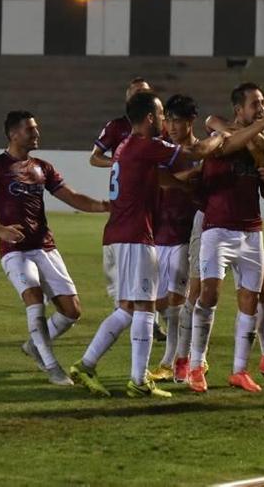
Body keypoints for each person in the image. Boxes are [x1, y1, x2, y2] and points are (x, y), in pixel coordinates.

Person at [69, 91, 264, 399]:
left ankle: (107, 369)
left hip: (125, 234)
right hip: (133, 236)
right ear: (149, 118)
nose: (164, 122)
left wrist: (185, 182)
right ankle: (124, 374)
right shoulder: (147, 145)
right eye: (162, 116)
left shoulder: (125, 146)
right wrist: (220, 137)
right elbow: (197, 150)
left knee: (131, 309)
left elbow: (164, 178)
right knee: (145, 308)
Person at [0, 111, 109, 386]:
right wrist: (0, 230)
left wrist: (104, 206)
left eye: (36, 129)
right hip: (14, 250)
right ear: (13, 134)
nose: (36, 134)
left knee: (72, 311)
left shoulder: (42, 167)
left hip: (45, 247)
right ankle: (51, 366)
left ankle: (34, 345)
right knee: (33, 298)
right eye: (30, 130)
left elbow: (72, 197)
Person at [187, 82, 264, 394]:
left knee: (250, 299)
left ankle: (239, 371)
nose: (261, 108)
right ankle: (196, 365)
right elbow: (230, 142)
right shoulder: (221, 135)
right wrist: (263, 127)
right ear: (239, 110)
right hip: (218, 229)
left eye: (262, 102)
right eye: (255, 103)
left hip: (252, 231)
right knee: (209, 295)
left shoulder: (259, 144)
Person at [88, 78, 168, 341]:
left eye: (145, 92)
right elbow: (94, 157)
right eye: (137, 93)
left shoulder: (146, 135)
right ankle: (126, 371)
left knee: (139, 299)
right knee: (133, 306)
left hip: (142, 212)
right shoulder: (124, 133)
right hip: (132, 221)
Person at [146, 95, 201, 382]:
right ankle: (184, 357)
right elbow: (158, 181)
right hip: (159, 235)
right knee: (160, 301)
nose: (172, 126)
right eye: (168, 120)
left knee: (177, 301)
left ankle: (173, 361)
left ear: (190, 121)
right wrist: (188, 179)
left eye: (177, 121)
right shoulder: (163, 150)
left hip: (184, 234)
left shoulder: (200, 151)